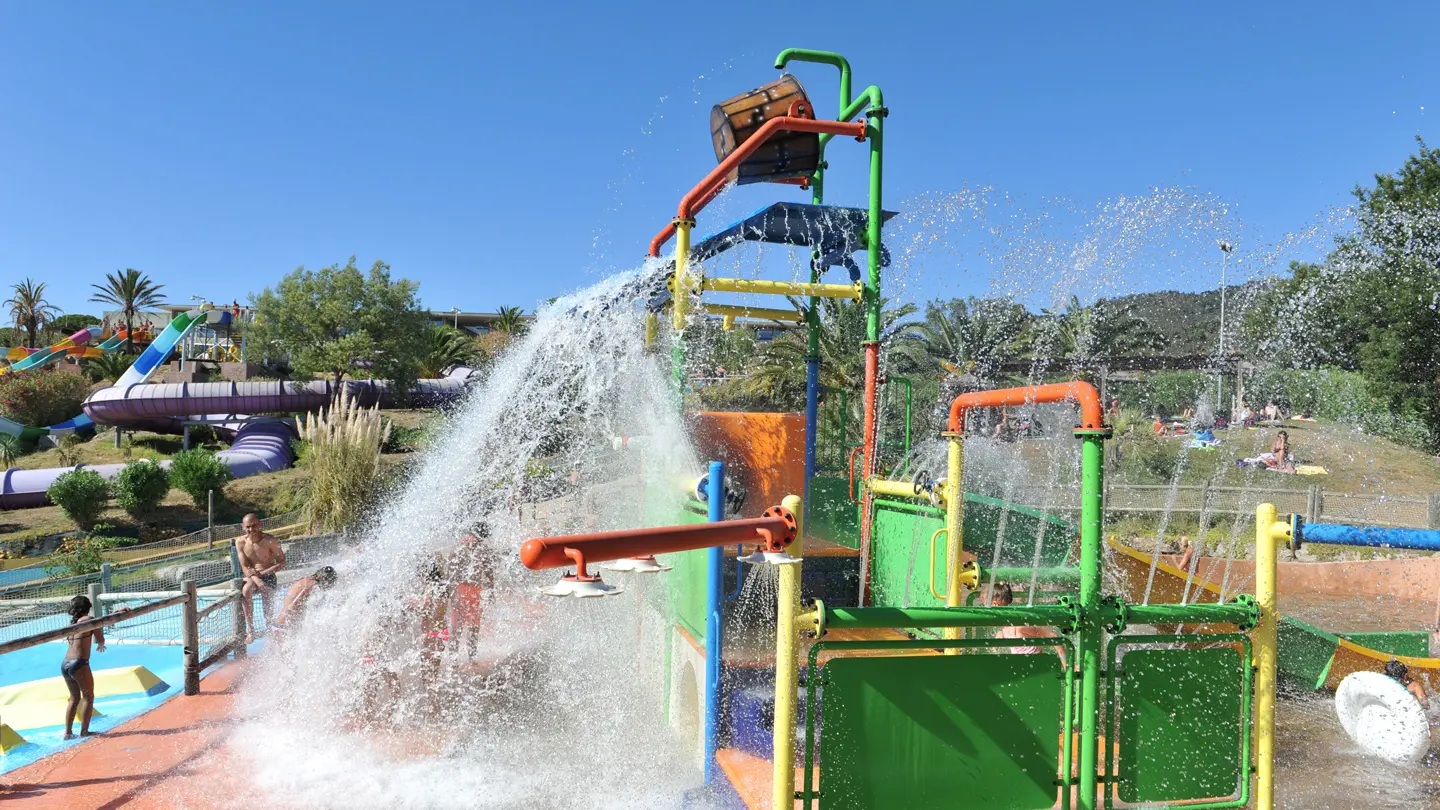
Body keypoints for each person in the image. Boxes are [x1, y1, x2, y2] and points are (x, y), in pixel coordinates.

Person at [235, 513, 287, 643]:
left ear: (259, 524)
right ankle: (250, 631)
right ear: (243, 527)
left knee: (267, 594)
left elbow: (282, 562)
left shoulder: (270, 540)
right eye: (248, 527)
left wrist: (264, 573)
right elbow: (245, 566)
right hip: (251, 576)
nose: (251, 529)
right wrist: (257, 580)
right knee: (246, 590)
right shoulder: (240, 542)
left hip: (267, 573)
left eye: (254, 526)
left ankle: (269, 626)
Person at [61, 595, 106, 739]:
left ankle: (68, 733)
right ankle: (84, 732)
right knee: (88, 696)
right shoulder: (88, 620)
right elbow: (100, 636)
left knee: (74, 698)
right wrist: (101, 643)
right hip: (79, 663)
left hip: (66, 663)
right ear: (88, 608)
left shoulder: (72, 623)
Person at [990, 583, 1065, 663]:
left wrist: (1067, 665)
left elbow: (1053, 636)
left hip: (1038, 669)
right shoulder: (1006, 629)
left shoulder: (1020, 624)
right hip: (1023, 669)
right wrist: (1000, 635)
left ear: (995, 604)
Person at [270, 566, 338, 635]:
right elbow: (291, 607)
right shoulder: (311, 585)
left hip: (278, 623)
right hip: (284, 626)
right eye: (329, 581)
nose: (327, 584)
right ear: (324, 578)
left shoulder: (305, 580)